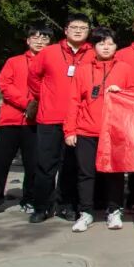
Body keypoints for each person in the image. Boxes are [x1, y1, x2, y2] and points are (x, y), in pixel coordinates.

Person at [64, 27, 134, 232]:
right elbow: (73, 100)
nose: (106, 47)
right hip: (86, 130)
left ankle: (114, 210)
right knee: (85, 173)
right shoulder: (83, 70)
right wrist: (69, 130)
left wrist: (122, 92)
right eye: (101, 43)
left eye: (110, 43)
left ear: (116, 46)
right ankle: (86, 212)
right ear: (94, 46)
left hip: (114, 131)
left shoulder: (125, 69)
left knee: (114, 173)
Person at [28, 13, 93, 223]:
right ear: (66, 30)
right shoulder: (49, 52)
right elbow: (33, 78)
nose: (78, 31)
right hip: (49, 118)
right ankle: (41, 206)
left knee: (71, 167)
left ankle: (66, 205)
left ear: (88, 31)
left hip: (77, 121)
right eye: (74, 27)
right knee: (45, 165)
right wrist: (46, 97)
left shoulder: (93, 54)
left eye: (83, 28)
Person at [0, 24, 51, 216]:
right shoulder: (14, 62)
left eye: (44, 38)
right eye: (35, 37)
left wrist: (37, 107)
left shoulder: (50, 65)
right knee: (0, 162)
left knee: (33, 164)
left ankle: (29, 199)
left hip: (35, 123)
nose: (40, 41)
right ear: (27, 41)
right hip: (10, 120)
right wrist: (27, 103)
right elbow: (5, 86)